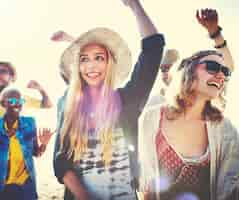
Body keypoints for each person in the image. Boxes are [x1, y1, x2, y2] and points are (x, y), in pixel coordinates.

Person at [53, 0, 165, 199]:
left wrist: (135, 6)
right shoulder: (67, 103)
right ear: (78, 66)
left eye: (99, 58)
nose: (91, 66)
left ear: (109, 64)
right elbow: (61, 162)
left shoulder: (128, 99)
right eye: (84, 59)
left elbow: (153, 49)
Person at [139, 9, 238, 200]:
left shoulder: (224, 129)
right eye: (163, 67)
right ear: (186, 72)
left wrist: (215, 33)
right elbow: (147, 186)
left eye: (169, 65)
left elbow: (226, 68)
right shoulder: (152, 113)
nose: (166, 70)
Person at [0, 88, 53, 200]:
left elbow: (36, 153)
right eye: (13, 101)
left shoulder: (30, 123)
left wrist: (44, 144)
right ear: (3, 103)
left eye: (21, 101)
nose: (18, 104)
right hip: (4, 186)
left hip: (26, 185)